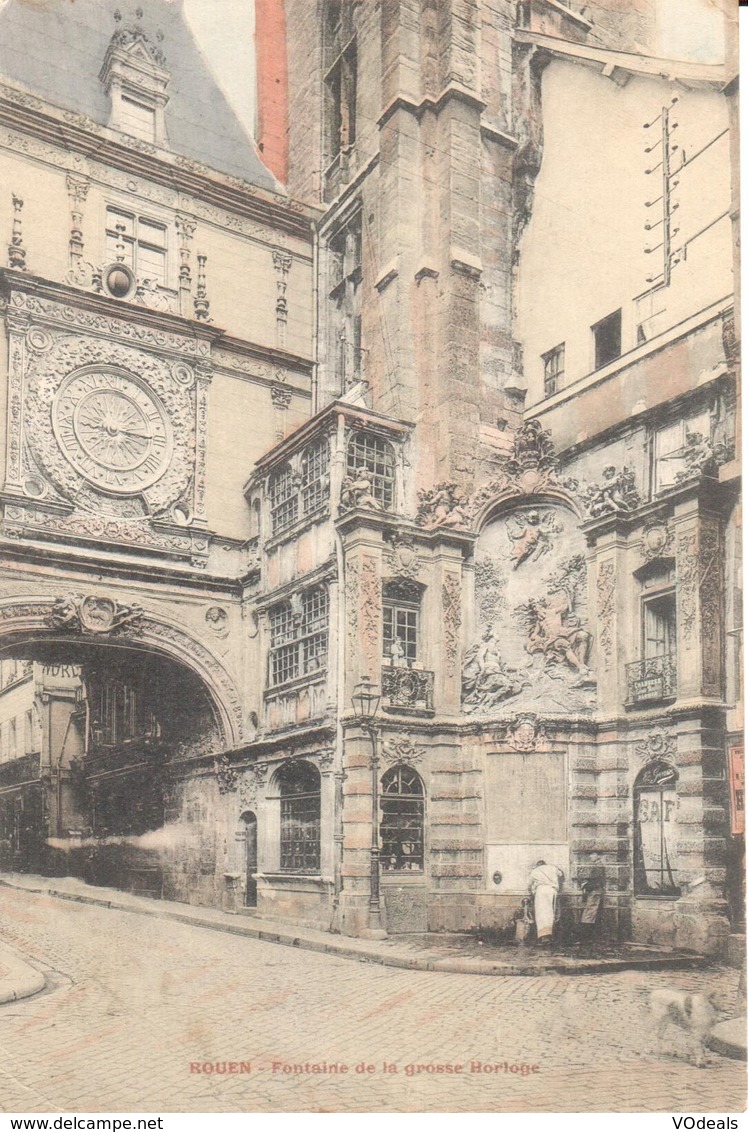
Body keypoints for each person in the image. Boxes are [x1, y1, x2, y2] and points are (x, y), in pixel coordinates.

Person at [528, 859, 564, 946]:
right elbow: (561, 874)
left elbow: (529, 884)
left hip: (541, 891)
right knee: (551, 912)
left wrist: (531, 891)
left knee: (541, 913)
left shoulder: (535, 871)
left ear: (538, 865)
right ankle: (550, 934)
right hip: (552, 890)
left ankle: (543, 937)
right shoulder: (552, 868)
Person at [579, 855, 605, 944]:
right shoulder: (597, 866)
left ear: (598, 856)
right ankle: (587, 936)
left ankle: (586, 937)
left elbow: (596, 882)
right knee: (590, 912)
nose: (590, 857)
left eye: (592, 854)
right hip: (594, 891)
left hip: (595, 891)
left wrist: (586, 885)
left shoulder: (598, 867)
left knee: (590, 912)